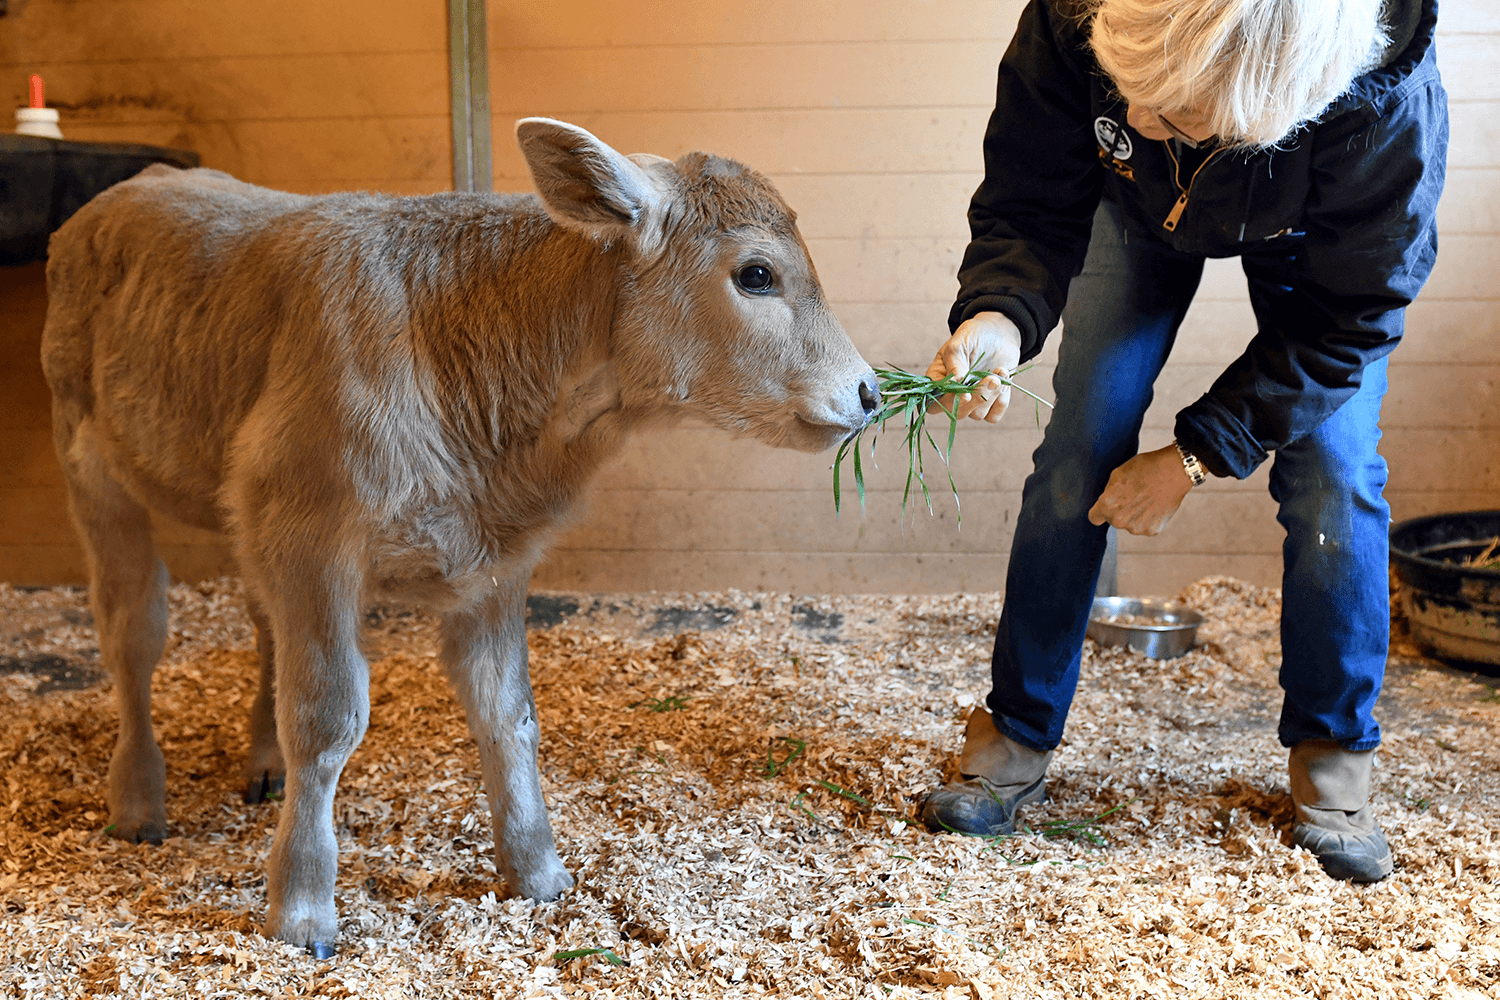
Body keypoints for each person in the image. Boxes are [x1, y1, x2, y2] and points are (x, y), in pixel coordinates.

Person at [919, 0, 1447, 883]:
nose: (1130, 115)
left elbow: (1347, 322)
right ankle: (1015, 729)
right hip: (1135, 201)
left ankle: (1333, 757)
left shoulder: (1380, 103)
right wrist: (999, 316)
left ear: (1267, 97)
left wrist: (1197, 454)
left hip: (1311, 225)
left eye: (1165, 106)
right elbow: (1032, 195)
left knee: (1336, 473)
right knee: (1079, 441)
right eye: (1124, 89)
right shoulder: (1081, 19)